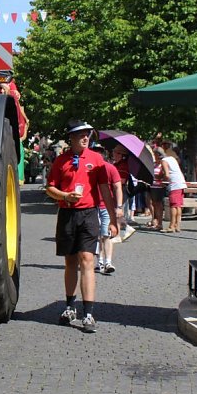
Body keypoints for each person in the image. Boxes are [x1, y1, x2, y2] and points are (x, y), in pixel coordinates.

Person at [46, 119, 119, 333]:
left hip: (89, 214)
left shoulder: (97, 159)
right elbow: (50, 188)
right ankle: (70, 307)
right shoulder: (61, 161)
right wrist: (65, 196)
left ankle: (88, 313)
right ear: (71, 138)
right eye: (81, 134)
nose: (86, 137)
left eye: (87, 134)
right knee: (70, 261)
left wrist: (113, 219)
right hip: (67, 213)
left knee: (87, 259)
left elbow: (105, 190)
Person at [94, 146, 123, 274]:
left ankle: (108, 262)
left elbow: (117, 187)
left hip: (106, 206)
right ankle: (99, 262)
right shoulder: (89, 169)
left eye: (99, 155)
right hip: (92, 206)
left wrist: (119, 206)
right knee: (96, 235)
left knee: (106, 235)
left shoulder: (110, 168)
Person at [158, 147, 186, 233]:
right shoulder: (172, 158)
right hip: (181, 183)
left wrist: (163, 181)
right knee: (178, 205)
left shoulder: (164, 161)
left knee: (173, 205)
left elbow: (167, 175)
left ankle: (171, 226)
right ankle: (177, 225)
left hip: (174, 184)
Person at [149, 154, 166, 230]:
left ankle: (160, 223)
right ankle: (155, 221)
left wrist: (155, 176)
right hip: (152, 186)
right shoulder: (154, 165)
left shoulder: (162, 165)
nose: (158, 159)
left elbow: (162, 175)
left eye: (159, 157)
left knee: (159, 205)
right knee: (154, 204)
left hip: (159, 187)